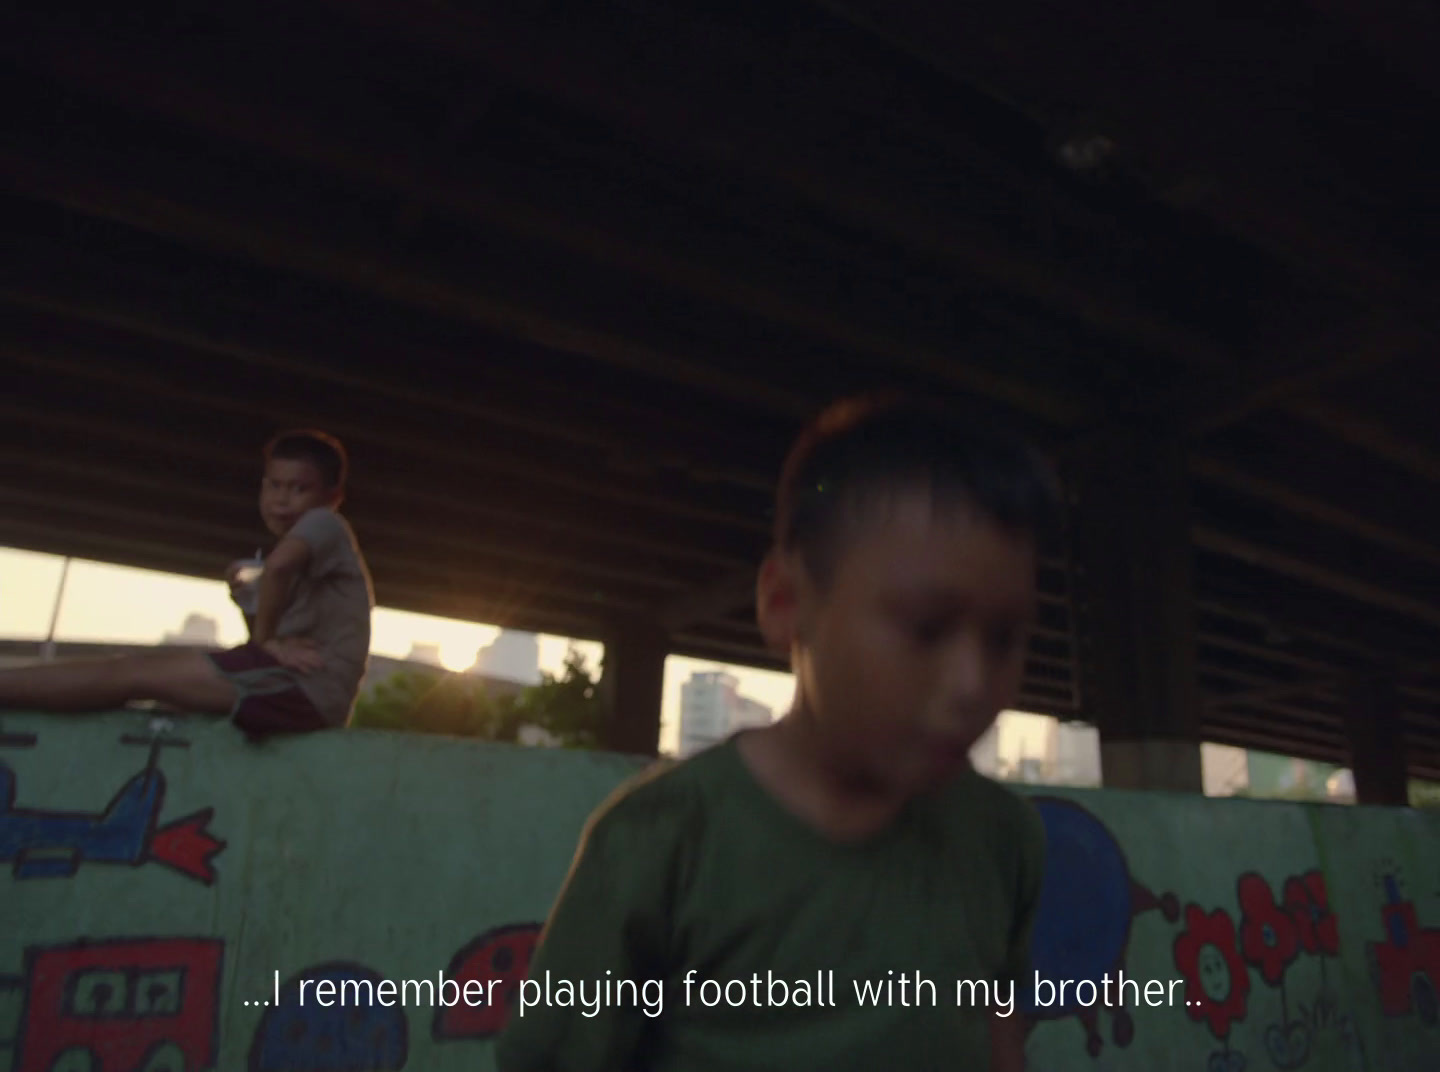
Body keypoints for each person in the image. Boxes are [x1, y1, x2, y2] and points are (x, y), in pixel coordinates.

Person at [496, 396, 1057, 1072]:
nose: (973, 682)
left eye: (1004, 638)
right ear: (787, 604)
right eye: (926, 627)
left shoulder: (1004, 841)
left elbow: (1001, 1040)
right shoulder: (661, 841)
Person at [0, 430, 374, 740]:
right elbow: (256, 644)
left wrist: (268, 643)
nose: (281, 500)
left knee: (131, 674)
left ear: (331, 498)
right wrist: (249, 604)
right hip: (289, 688)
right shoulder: (289, 566)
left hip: (303, 691)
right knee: (163, 705)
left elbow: (276, 577)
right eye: (274, 486)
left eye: (298, 489)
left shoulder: (326, 523)